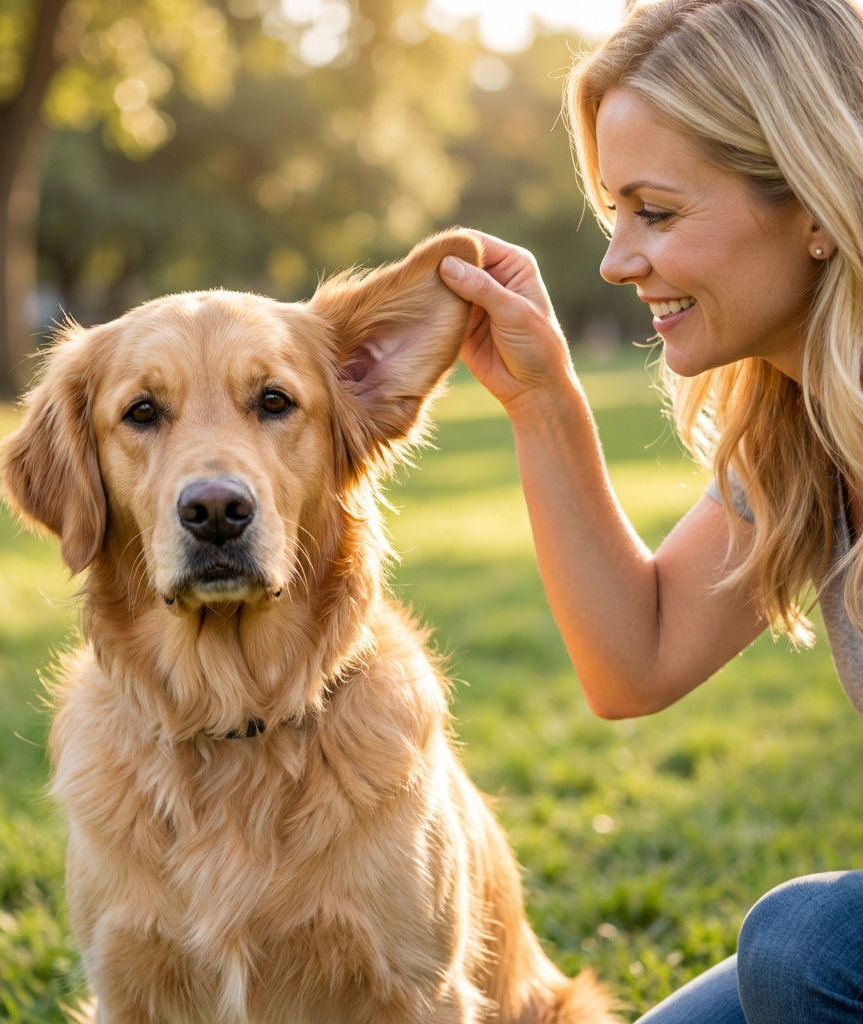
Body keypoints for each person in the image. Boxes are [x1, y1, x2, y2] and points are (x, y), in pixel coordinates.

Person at [436, 0, 863, 1021]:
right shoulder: (802, 436)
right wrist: (543, 402)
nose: (617, 260)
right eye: (613, 213)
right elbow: (635, 662)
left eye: (656, 212)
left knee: (801, 950)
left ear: (812, 203)